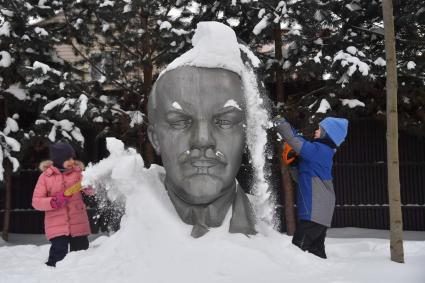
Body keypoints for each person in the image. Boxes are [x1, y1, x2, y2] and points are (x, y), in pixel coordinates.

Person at [147, 22, 258, 238]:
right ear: (155, 138)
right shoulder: (131, 240)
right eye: (180, 122)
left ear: (245, 135)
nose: (203, 140)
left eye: (225, 122)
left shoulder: (267, 239)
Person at [274, 116, 348, 258]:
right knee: (316, 253)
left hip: (315, 212)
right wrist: (294, 165)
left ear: (328, 134)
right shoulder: (320, 153)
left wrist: (281, 123)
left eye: (320, 129)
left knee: (297, 253)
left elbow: (295, 140)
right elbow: (301, 179)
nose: (316, 131)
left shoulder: (321, 150)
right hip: (319, 212)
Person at [32, 142, 93, 267]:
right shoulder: (46, 177)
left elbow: (91, 192)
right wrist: (53, 202)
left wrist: (89, 185)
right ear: (58, 160)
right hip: (57, 224)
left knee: (81, 256)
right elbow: (36, 201)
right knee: (58, 254)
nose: (72, 161)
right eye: (68, 159)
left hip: (78, 222)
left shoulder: (78, 173)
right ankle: (52, 275)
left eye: (72, 158)